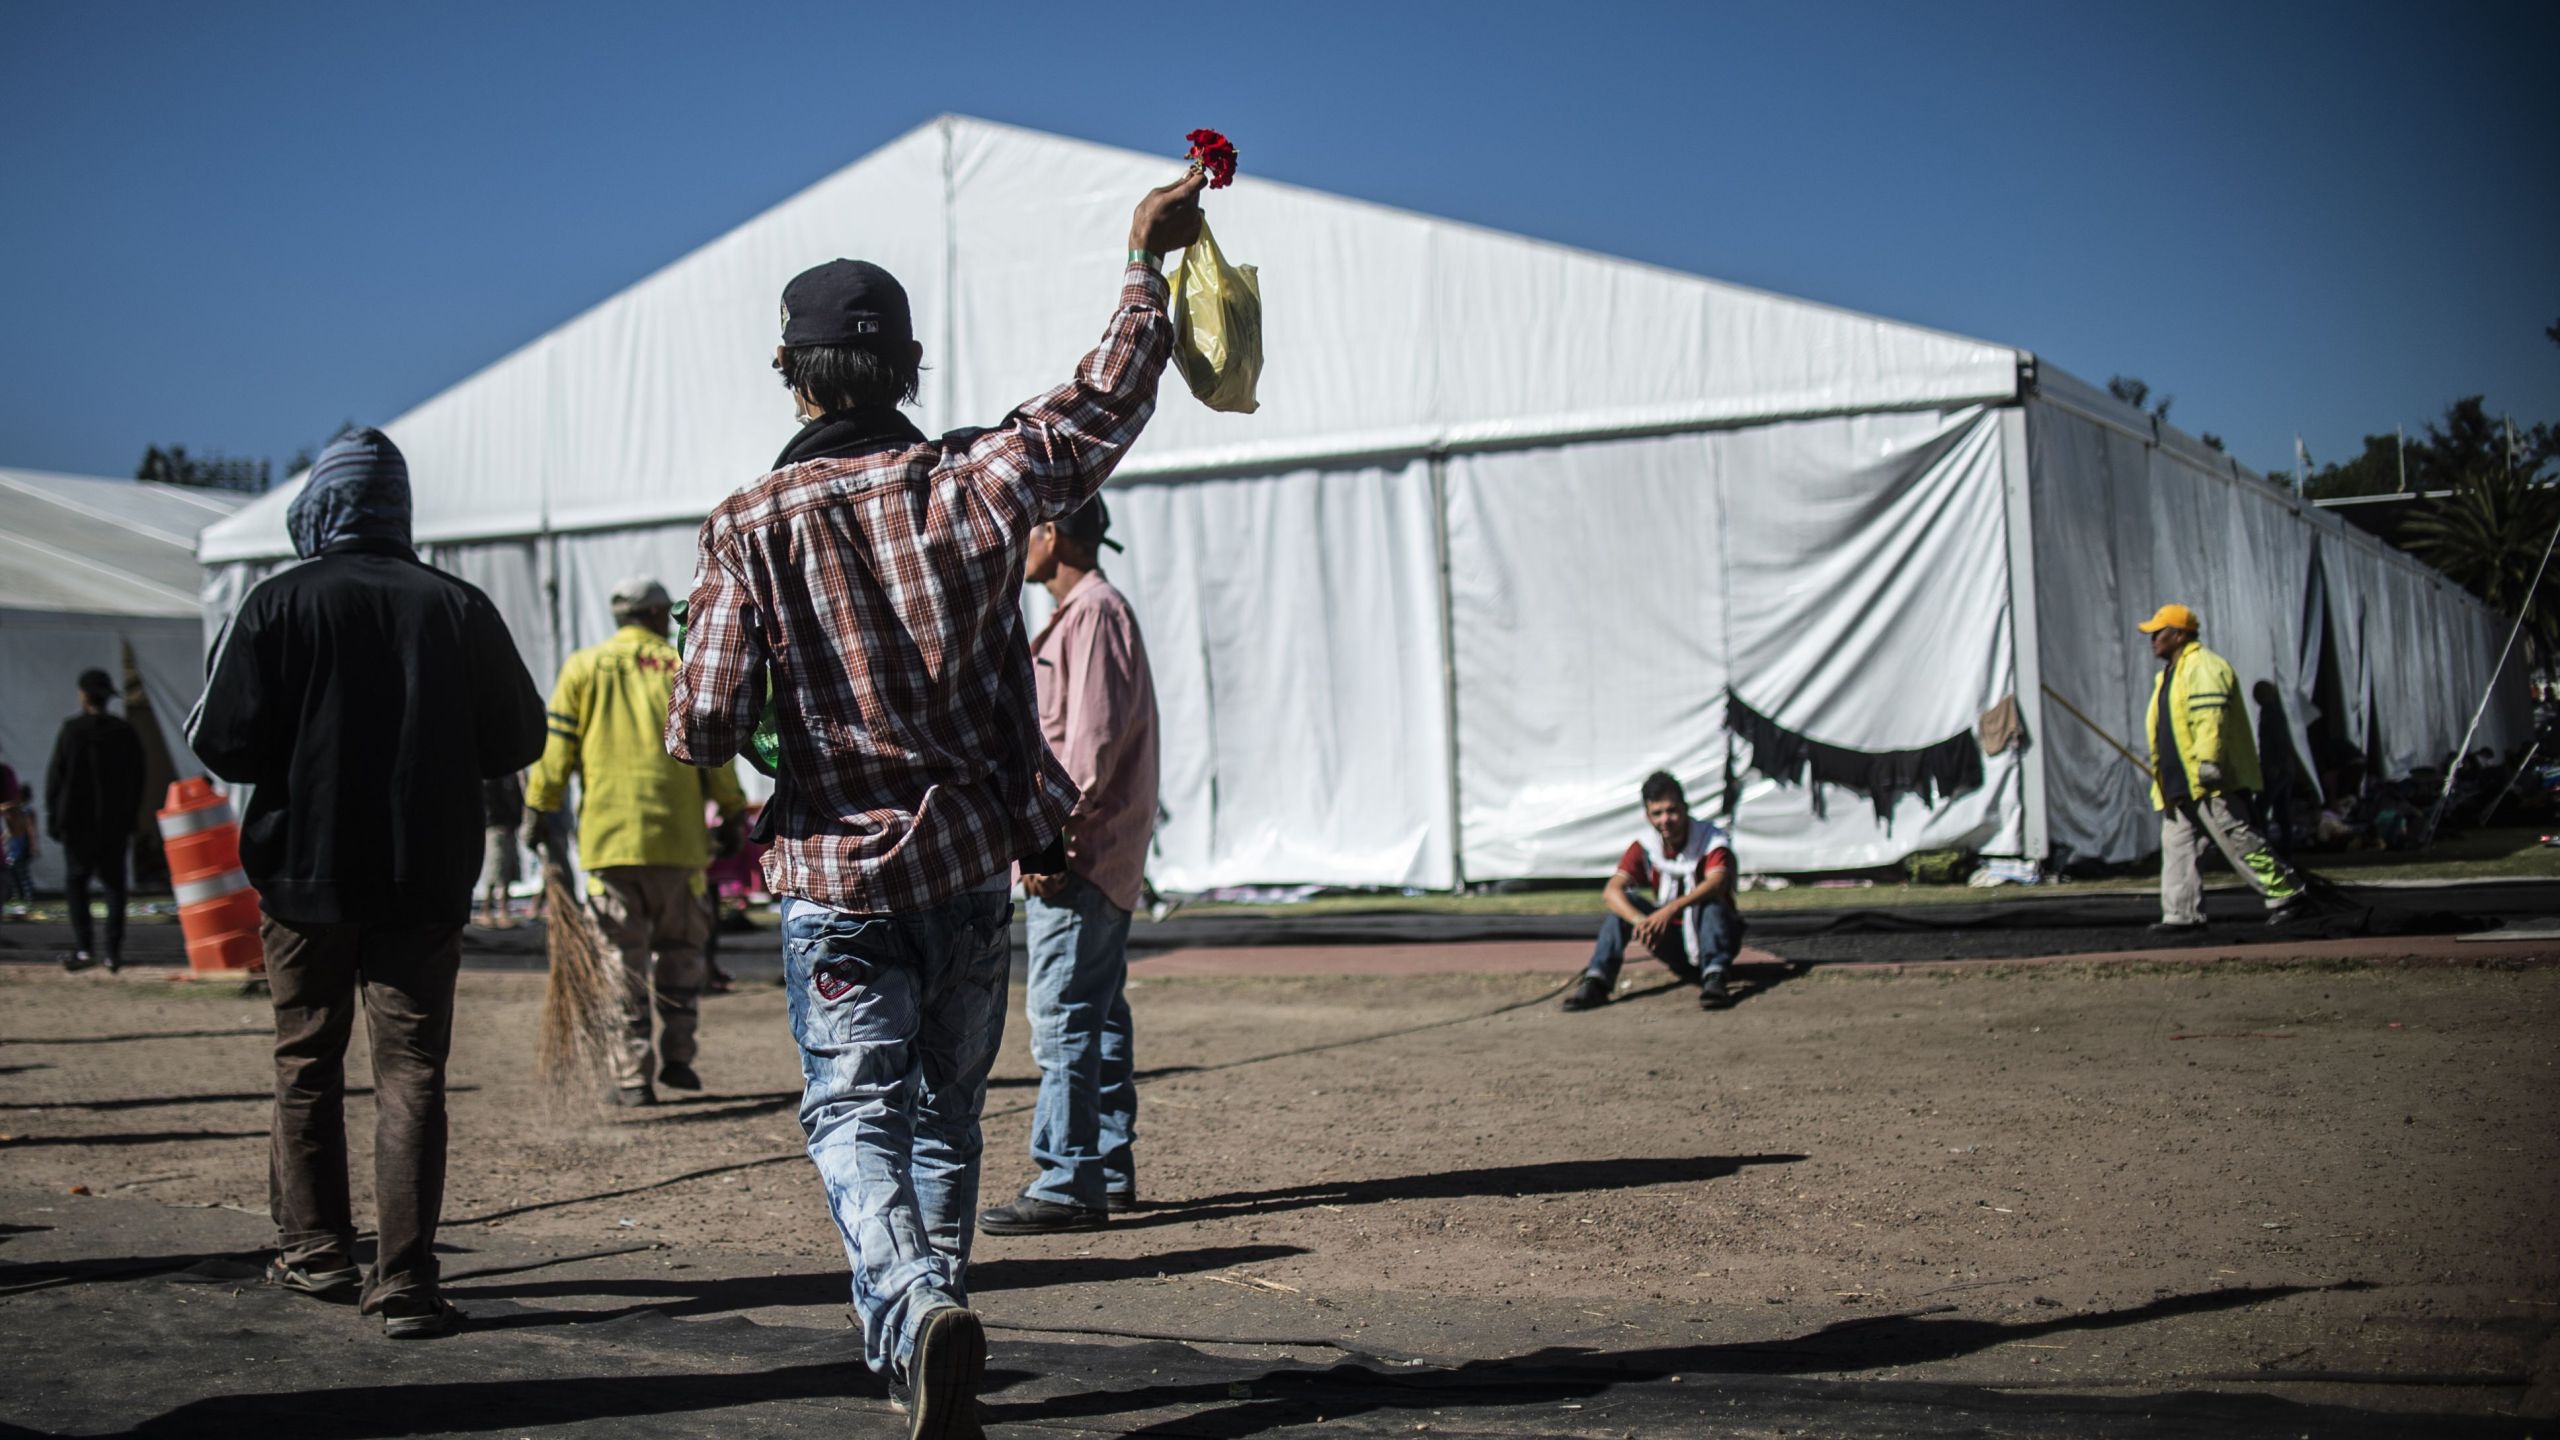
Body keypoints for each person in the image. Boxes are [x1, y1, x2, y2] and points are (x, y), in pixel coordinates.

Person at [669, 171, 1205, 1438]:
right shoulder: (973, 484)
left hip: (835, 882)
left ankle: (911, 1315)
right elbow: (1104, 404)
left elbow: (701, 722)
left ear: (789, 376)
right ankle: (937, 1322)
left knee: (854, 1114)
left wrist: (747, 705)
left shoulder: (748, 525)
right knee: (945, 1117)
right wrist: (1143, 255)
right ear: (909, 368)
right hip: (969, 866)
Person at [188, 429, 547, 1339]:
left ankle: (314, 1253)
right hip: (423, 881)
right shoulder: (458, 607)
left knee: (307, 1059)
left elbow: (221, 741)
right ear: (398, 510)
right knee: (412, 1071)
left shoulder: (277, 603)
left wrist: (303, 742)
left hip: (303, 878)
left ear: (321, 507)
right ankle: (406, 1281)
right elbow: (518, 741)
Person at [981, 494, 1160, 1236]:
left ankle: (1066, 1179)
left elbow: (1086, 747)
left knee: (1064, 1016)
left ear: (1052, 536)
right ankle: (1105, 1167)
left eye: (1029, 531)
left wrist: (1047, 839)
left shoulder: (1089, 615)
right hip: (1098, 849)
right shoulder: (1089, 612)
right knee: (1097, 1012)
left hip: (1079, 853)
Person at [524, 577, 747, 1105]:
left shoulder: (583, 668)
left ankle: (631, 1077)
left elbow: (556, 752)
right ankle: (679, 1056)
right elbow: (711, 747)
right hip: (680, 843)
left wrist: (539, 804)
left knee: (621, 961)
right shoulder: (681, 669)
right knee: (680, 952)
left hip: (609, 842)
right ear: (653, 614)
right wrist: (734, 810)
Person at [2138, 604, 2307, 930]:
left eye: (2158, 633)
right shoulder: (2168, 676)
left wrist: (2208, 763)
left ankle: (2288, 894)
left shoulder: (2205, 667)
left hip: (2206, 780)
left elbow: (2210, 720)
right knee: (2178, 850)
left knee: (2240, 839)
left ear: (2179, 634)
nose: (2152, 639)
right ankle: (2181, 913)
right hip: (2176, 784)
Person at [1563, 770, 1745, 1012]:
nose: (1665, 820)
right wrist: (1641, 921)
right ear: (1647, 815)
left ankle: (1715, 976)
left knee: (1708, 901)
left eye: (1672, 810)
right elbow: (1611, 892)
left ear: (1685, 807)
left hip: (1715, 933)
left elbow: (1717, 882)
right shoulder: (1646, 846)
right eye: (1657, 813)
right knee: (1623, 907)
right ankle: (1597, 981)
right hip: (1672, 939)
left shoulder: (1710, 839)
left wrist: (1670, 909)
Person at [46, 668, 145, 973]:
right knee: (114, 886)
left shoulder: (71, 731)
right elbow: (139, 777)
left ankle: (85, 947)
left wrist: (55, 817)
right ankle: (112, 951)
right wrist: (130, 816)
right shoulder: (123, 732)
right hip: (113, 824)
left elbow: (56, 779)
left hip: (77, 824)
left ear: (83, 695)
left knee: (77, 884)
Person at [2251, 681, 2301, 860]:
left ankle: (2264, 845)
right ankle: (2285, 847)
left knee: (2262, 807)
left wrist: (2274, 766)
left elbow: (2276, 742)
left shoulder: (2271, 714)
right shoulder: (2274, 711)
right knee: (2281, 809)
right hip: (2283, 767)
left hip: (2276, 768)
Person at [478, 772, 525, 928]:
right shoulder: (493, 776)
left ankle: (501, 910)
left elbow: (516, 799)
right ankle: (490, 910)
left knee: (507, 869)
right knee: (496, 869)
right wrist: (493, 820)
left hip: (507, 825)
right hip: (496, 825)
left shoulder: (510, 775)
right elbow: (488, 799)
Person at [4, 779, 38, 919]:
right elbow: (10, 830)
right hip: (15, 847)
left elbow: (30, 829)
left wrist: (33, 846)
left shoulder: (25, 811)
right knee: (14, 874)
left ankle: (28, 900)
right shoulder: (17, 809)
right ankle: (19, 899)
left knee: (22, 875)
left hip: (21, 848)